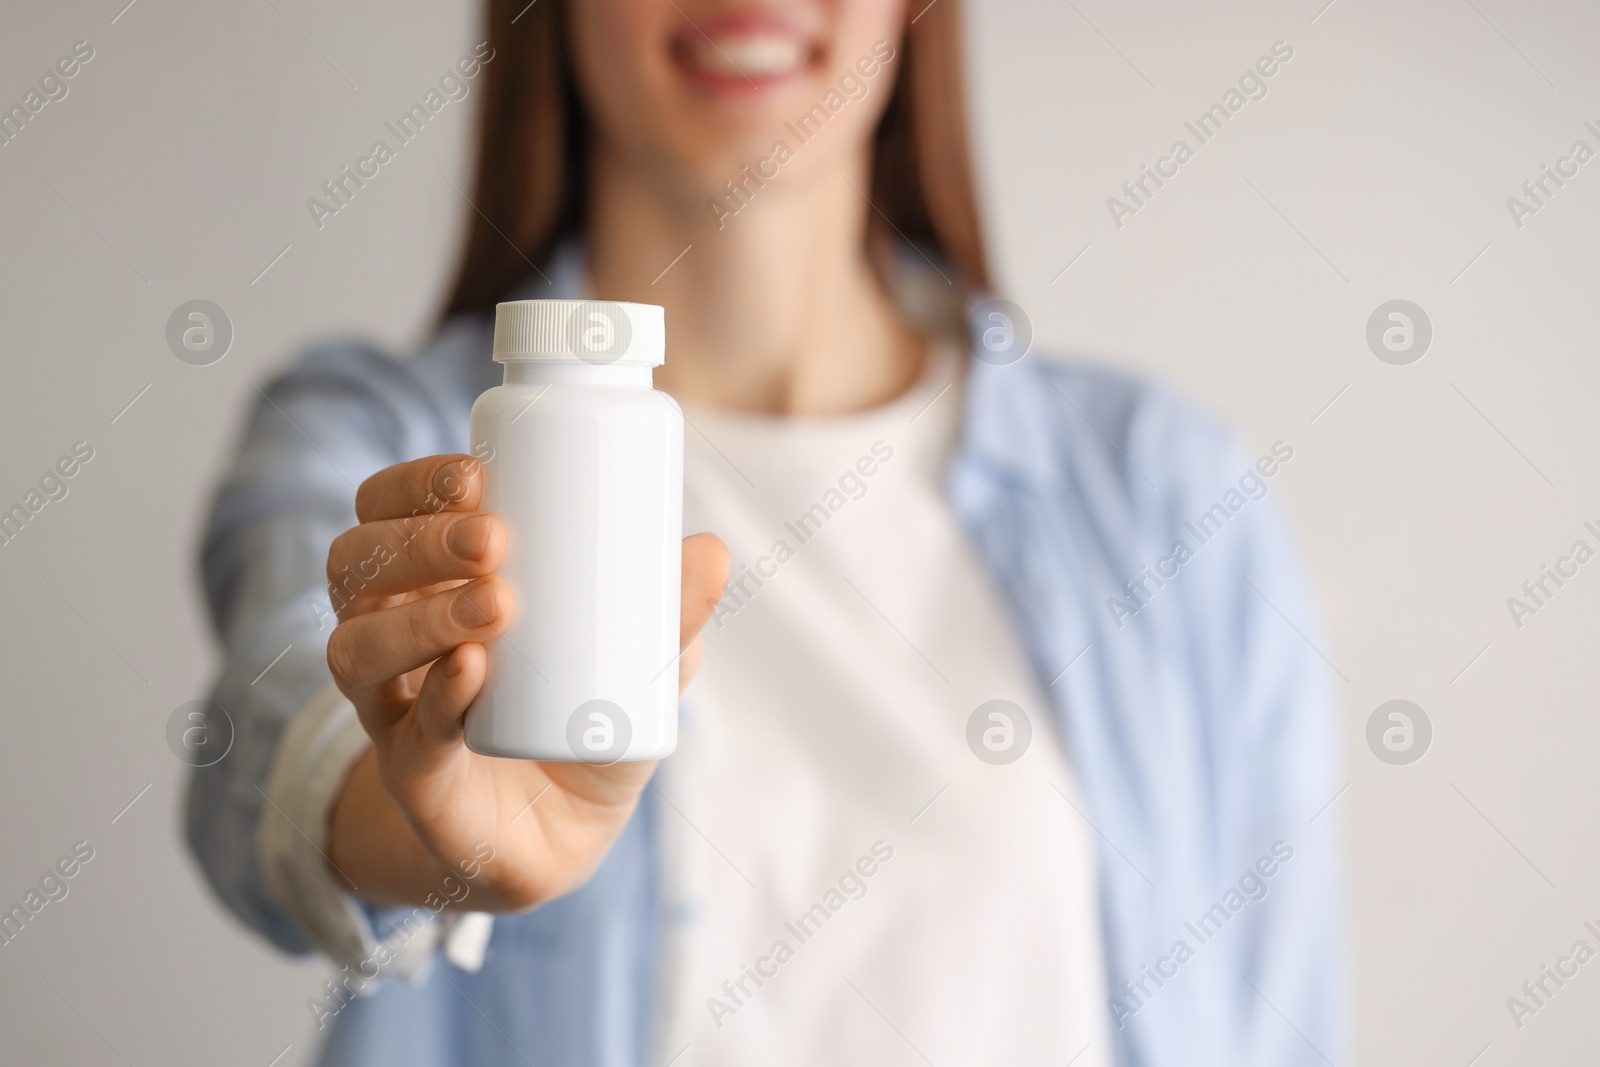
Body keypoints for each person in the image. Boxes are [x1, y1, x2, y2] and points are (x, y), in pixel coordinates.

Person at [187, 1, 1344, 1064]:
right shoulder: (382, 437)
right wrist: (420, 828)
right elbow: (272, 727)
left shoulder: (1163, 491)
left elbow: (1279, 1015)